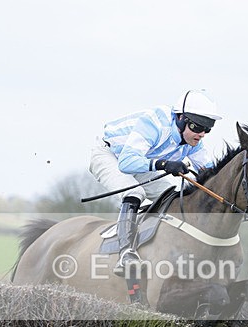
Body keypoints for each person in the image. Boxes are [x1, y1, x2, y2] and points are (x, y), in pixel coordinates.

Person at [89, 89, 222, 274]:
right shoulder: (155, 123)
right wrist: (164, 164)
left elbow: (209, 172)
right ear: (181, 118)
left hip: (140, 162)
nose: (201, 134)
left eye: (207, 129)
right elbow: (126, 163)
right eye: (197, 127)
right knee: (134, 193)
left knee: (170, 196)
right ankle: (125, 253)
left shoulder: (193, 141)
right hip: (110, 155)